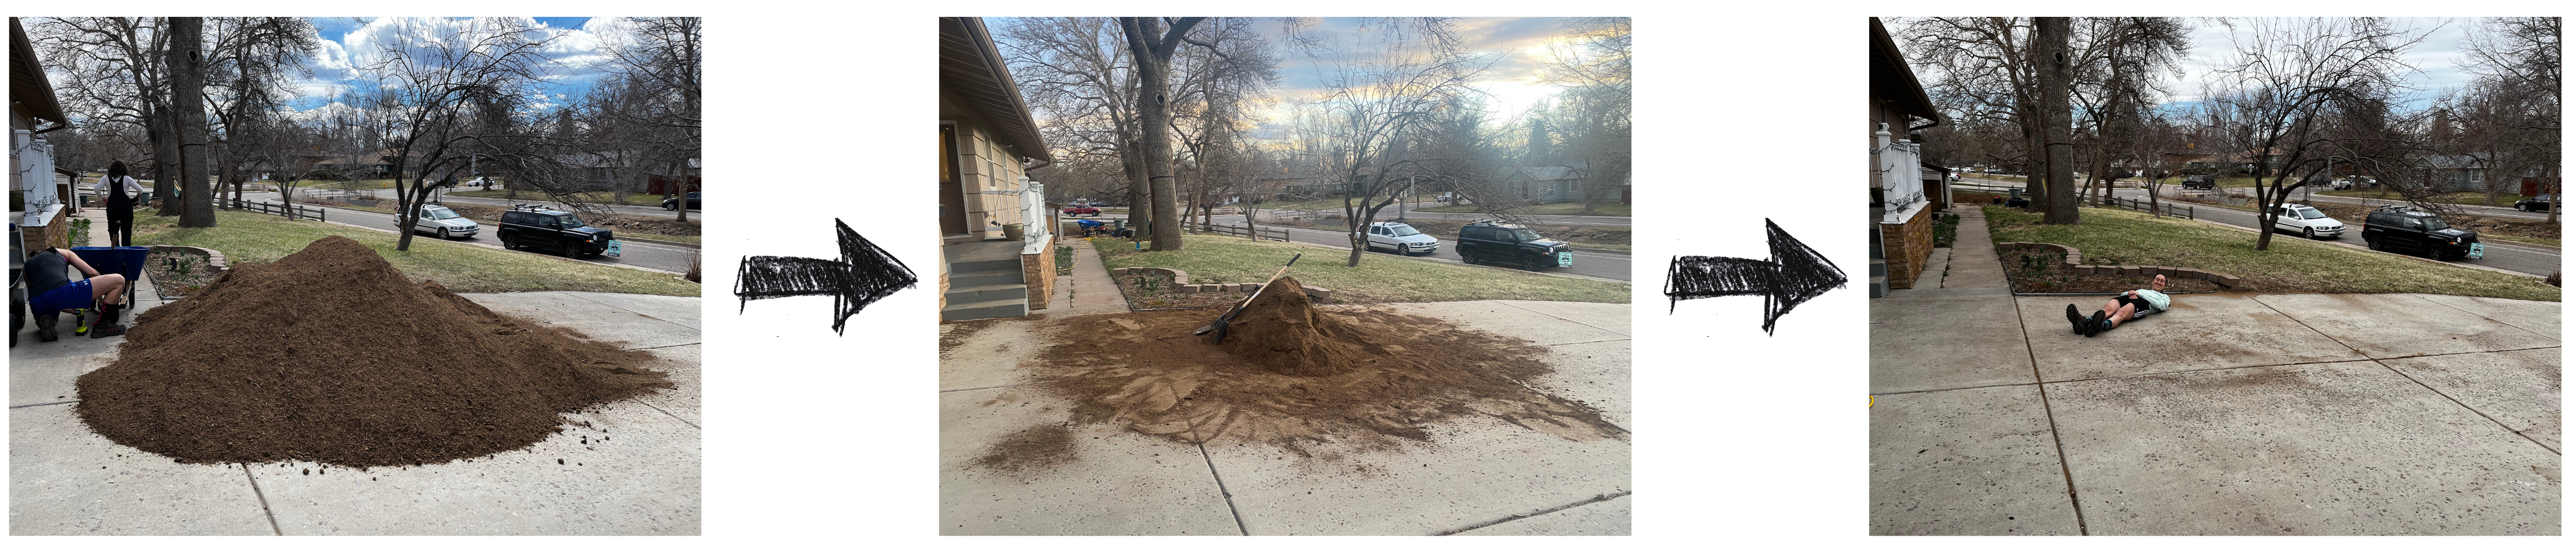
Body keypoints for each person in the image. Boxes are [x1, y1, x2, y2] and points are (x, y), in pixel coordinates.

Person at [23, 247, 131, 341]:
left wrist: (69, 310)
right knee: (119, 280)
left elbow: (38, 293)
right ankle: (102, 326)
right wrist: (103, 290)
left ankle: (45, 320)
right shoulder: (62, 252)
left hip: (37, 302)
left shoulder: (26, 267)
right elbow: (92, 273)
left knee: (52, 319)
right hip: (61, 292)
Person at [2065, 274, 2169, 337]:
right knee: (2106, 310)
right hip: (2130, 297)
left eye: (2162, 281)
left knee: (2120, 313)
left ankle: (2100, 326)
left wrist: (2140, 295)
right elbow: (2123, 294)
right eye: (2157, 279)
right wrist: (2130, 293)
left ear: (2165, 285)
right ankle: (2085, 322)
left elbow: (2161, 306)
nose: (2159, 282)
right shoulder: (2142, 290)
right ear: (2152, 281)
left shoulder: (2164, 297)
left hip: (2143, 304)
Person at [93, 161, 142, 247]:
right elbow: (140, 189)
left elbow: (97, 189)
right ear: (124, 169)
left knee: (113, 229)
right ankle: (126, 250)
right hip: (126, 208)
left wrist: (103, 198)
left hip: (112, 207)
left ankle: (116, 248)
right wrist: (138, 196)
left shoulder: (106, 178)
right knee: (126, 230)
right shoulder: (127, 178)